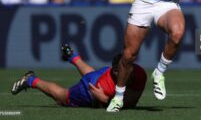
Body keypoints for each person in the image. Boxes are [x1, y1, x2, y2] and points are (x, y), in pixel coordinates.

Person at [11, 44, 147, 108]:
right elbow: (122, 105)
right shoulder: (104, 86)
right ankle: (30, 80)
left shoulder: (139, 73)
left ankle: (72, 56)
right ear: (114, 70)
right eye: (119, 71)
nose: (123, 73)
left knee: (91, 74)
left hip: (100, 75)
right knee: (64, 97)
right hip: (91, 90)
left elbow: (131, 101)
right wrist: (105, 100)